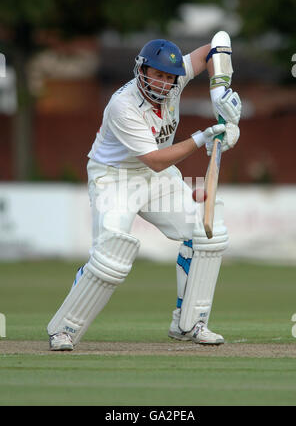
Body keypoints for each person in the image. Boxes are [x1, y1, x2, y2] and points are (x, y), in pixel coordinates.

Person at [47, 37, 241, 351]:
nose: (164, 83)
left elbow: (216, 45)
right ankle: (64, 328)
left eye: (169, 76)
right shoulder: (123, 104)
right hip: (115, 178)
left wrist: (220, 91)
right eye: (157, 74)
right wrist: (204, 135)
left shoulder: (176, 84)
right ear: (142, 69)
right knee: (111, 256)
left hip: (157, 178)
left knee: (207, 232)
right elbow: (153, 159)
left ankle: (189, 322)